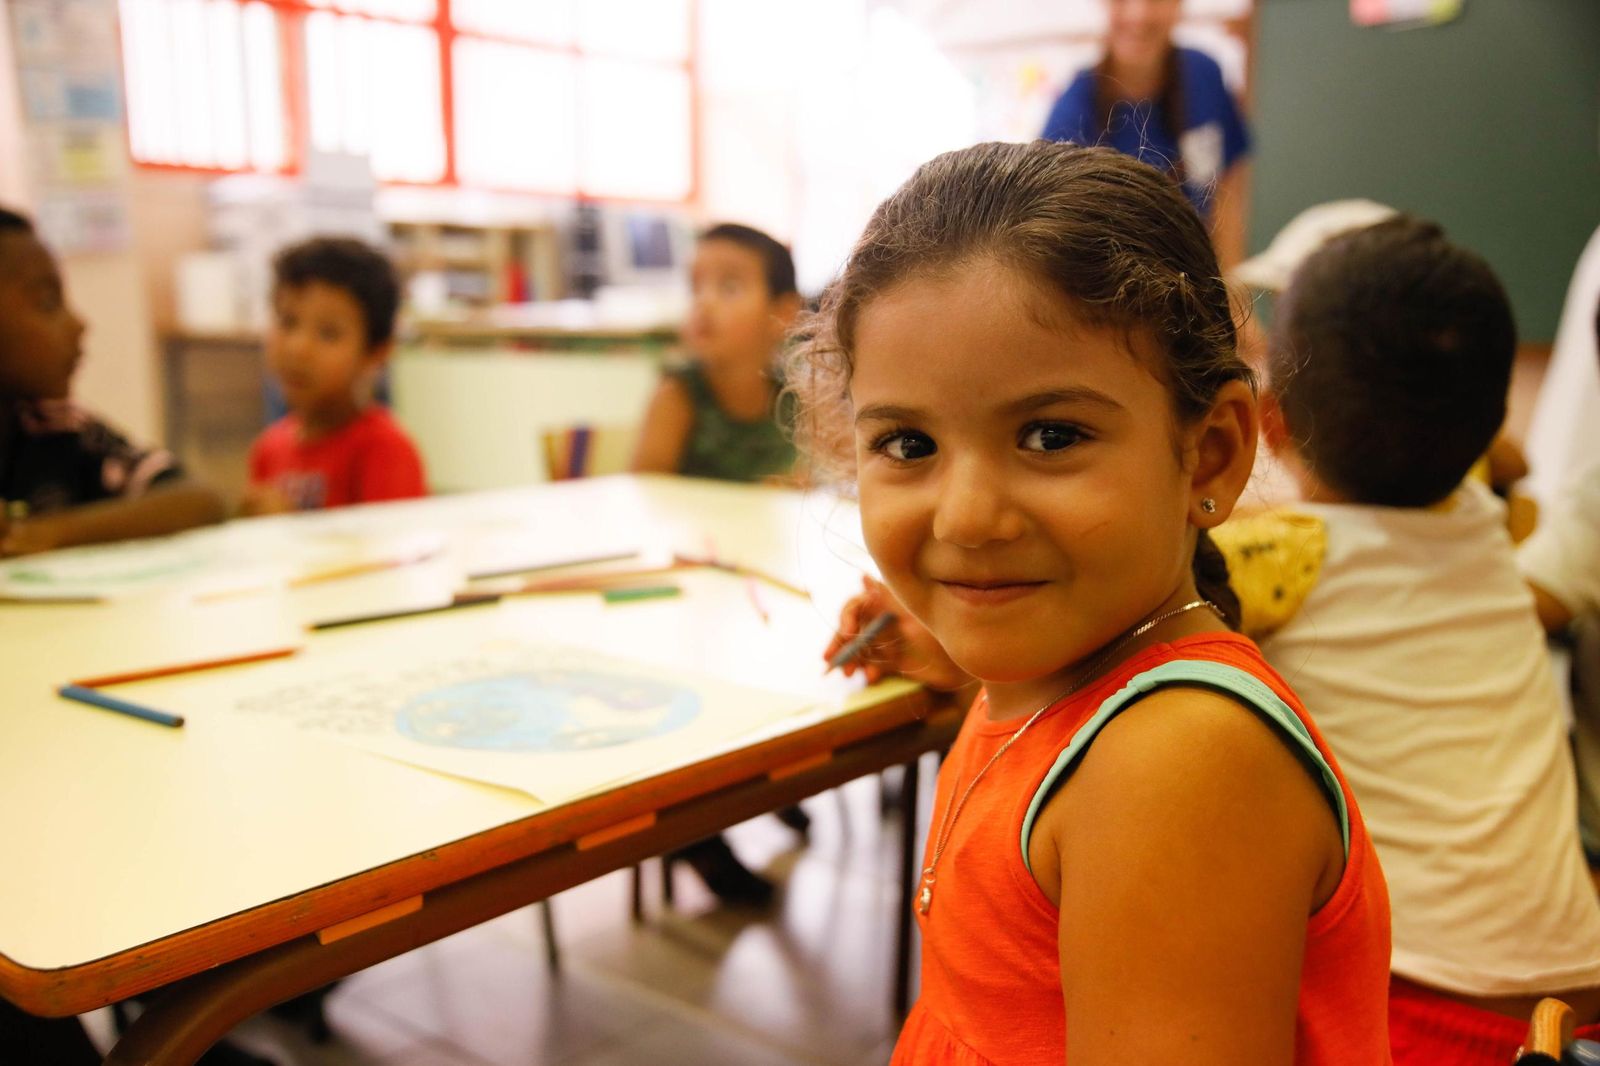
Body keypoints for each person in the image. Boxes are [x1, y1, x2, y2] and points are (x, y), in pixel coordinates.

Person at [798, 141, 1390, 1063]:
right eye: (909, 445)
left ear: (1213, 453)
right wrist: (964, 667)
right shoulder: (1077, 688)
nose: (968, 517)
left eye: (1050, 435)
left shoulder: (1178, 768)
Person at [1214, 218, 1600, 1064]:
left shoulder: (1283, 556)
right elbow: (1503, 461)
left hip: (1409, 1002)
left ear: (1267, 425)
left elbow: (1116, 604)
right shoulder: (1480, 514)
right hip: (1572, 999)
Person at [0, 206, 223, 557]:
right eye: (47, 302)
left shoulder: (58, 426)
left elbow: (199, 501)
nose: (78, 324)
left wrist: (44, 532)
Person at [1041, 0, 1251, 268]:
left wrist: (1230, 286)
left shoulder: (1204, 76)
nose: (1139, 14)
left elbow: (1228, 186)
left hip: (1201, 275)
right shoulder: (1071, 116)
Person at [244, 237, 425, 514]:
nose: (298, 348)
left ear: (375, 352)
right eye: (288, 322)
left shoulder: (385, 450)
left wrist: (288, 527)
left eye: (328, 333)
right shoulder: (267, 450)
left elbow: (396, 550)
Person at [631, 223, 803, 483]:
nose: (704, 302)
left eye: (729, 287)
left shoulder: (796, 397)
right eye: (695, 288)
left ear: (783, 313)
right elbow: (643, 490)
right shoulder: (679, 393)